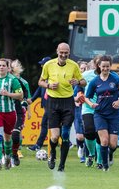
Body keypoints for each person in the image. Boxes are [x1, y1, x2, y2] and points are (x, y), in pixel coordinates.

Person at [38, 42, 86, 172]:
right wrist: (48, 86)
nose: (63, 55)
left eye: (66, 53)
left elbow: (84, 82)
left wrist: (77, 82)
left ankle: (62, 165)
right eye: (61, 52)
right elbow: (40, 81)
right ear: (57, 51)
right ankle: (52, 153)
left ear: (69, 53)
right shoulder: (49, 65)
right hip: (53, 102)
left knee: (65, 134)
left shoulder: (74, 65)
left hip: (67, 102)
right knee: (54, 136)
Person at [85, 55, 119, 171]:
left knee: (112, 144)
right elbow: (86, 97)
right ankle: (105, 165)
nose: (105, 68)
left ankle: (109, 153)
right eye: (103, 66)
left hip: (113, 114)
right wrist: (91, 104)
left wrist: (118, 101)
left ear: (110, 66)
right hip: (100, 114)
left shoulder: (116, 79)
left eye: (107, 66)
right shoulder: (94, 81)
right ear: (99, 66)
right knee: (104, 141)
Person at [0, 58, 24, 170]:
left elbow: (21, 95)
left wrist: (8, 94)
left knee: (8, 138)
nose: (1, 67)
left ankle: (8, 156)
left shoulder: (13, 80)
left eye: (4, 65)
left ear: (8, 68)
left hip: (9, 112)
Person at [10, 59, 32, 166]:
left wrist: (29, 111)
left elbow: (28, 98)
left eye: (14, 66)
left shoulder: (24, 82)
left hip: (20, 109)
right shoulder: (7, 79)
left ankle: (17, 150)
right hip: (8, 108)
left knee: (17, 132)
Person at [27, 56, 51, 152]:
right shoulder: (44, 76)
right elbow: (39, 89)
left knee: (46, 124)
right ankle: (68, 142)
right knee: (53, 125)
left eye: (43, 64)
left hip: (51, 105)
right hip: (46, 105)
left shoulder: (52, 75)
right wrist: (32, 100)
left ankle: (38, 145)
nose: (41, 66)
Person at [74, 61, 88, 163]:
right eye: (81, 69)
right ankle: (80, 146)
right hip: (78, 109)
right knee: (80, 136)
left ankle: (87, 156)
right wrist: (77, 99)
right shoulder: (74, 82)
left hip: (88, 109)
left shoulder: (89, 81)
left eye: (85, 68)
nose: (83, 70)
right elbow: (72, 97)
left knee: (89, 134)